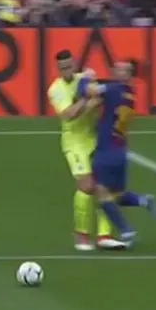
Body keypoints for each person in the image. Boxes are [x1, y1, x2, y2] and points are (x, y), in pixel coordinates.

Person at [47, 50, 125, 251]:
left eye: (69, 66)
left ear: (74, 64)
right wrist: (86, 100)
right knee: (86, 185)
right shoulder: (56, 89)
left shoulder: (84, 79)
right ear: (58, 69)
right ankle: (80, 234)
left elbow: (99, 100)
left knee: (104, 185)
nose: (66, 71)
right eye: (62, 68)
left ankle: (104, 235)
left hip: (93, 138)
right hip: (74, 142)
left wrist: (92, 96)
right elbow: (68, 115)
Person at [77, 61, 156, 248]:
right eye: (115, 67)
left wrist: (85, 78)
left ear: (129, 74)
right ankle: (143, 200)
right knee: (117, 195)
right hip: (120, 150)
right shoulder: (130, 93)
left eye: (121, 69)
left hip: (106, 151)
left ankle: (127, 231)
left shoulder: (113, 89)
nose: (115, 70)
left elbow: (86, 91)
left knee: (100, 193)